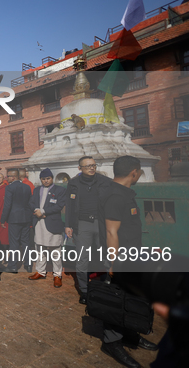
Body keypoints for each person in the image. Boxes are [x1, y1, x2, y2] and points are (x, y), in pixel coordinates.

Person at [98, 156, 158, 367]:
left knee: (131, 297)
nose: (140, 175)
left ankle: (130, 332)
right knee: (116, 299)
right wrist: (113, 264)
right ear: (134, 172)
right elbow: (111, 231)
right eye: (140, 172)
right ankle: (112, 342)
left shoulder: (123, 193)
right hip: (119, 258)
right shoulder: (115, 195)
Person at [64, 156, 111, 304]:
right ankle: (84, 291)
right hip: (82, 224)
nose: (92, 168)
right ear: (80, 168)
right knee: (82, 259)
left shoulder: (105, 181)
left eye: (94, 165)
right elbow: (70, 205)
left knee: (106, 256)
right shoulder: (73, 184)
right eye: (88, 166)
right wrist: (68, 225)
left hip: (101, 224)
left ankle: (107, 285)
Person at [28, 168, 66, 288]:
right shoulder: (37, 190)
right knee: (40, 249)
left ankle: (57, 275)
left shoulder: (60, 190)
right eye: (43, 179)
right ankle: (40, 271)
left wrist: (43, 211)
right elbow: (31, 202)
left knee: (55, 251)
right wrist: (36, 210)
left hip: (52, 223)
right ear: (41, 179)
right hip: (39, 223)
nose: (46, 181)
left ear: (52, 178)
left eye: (48, 178)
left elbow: (59, 205)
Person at [0, 169, 33, 273]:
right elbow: (30, 203)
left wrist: (3, 219)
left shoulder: (10, 187)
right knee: (26, 242)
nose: (7, 178)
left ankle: (13, 266)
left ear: (13, 177)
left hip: (14, 218)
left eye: (8, 176)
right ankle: (28, 265)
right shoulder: (27, 187)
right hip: (26, 218)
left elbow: (7, 205)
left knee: (14, 243)